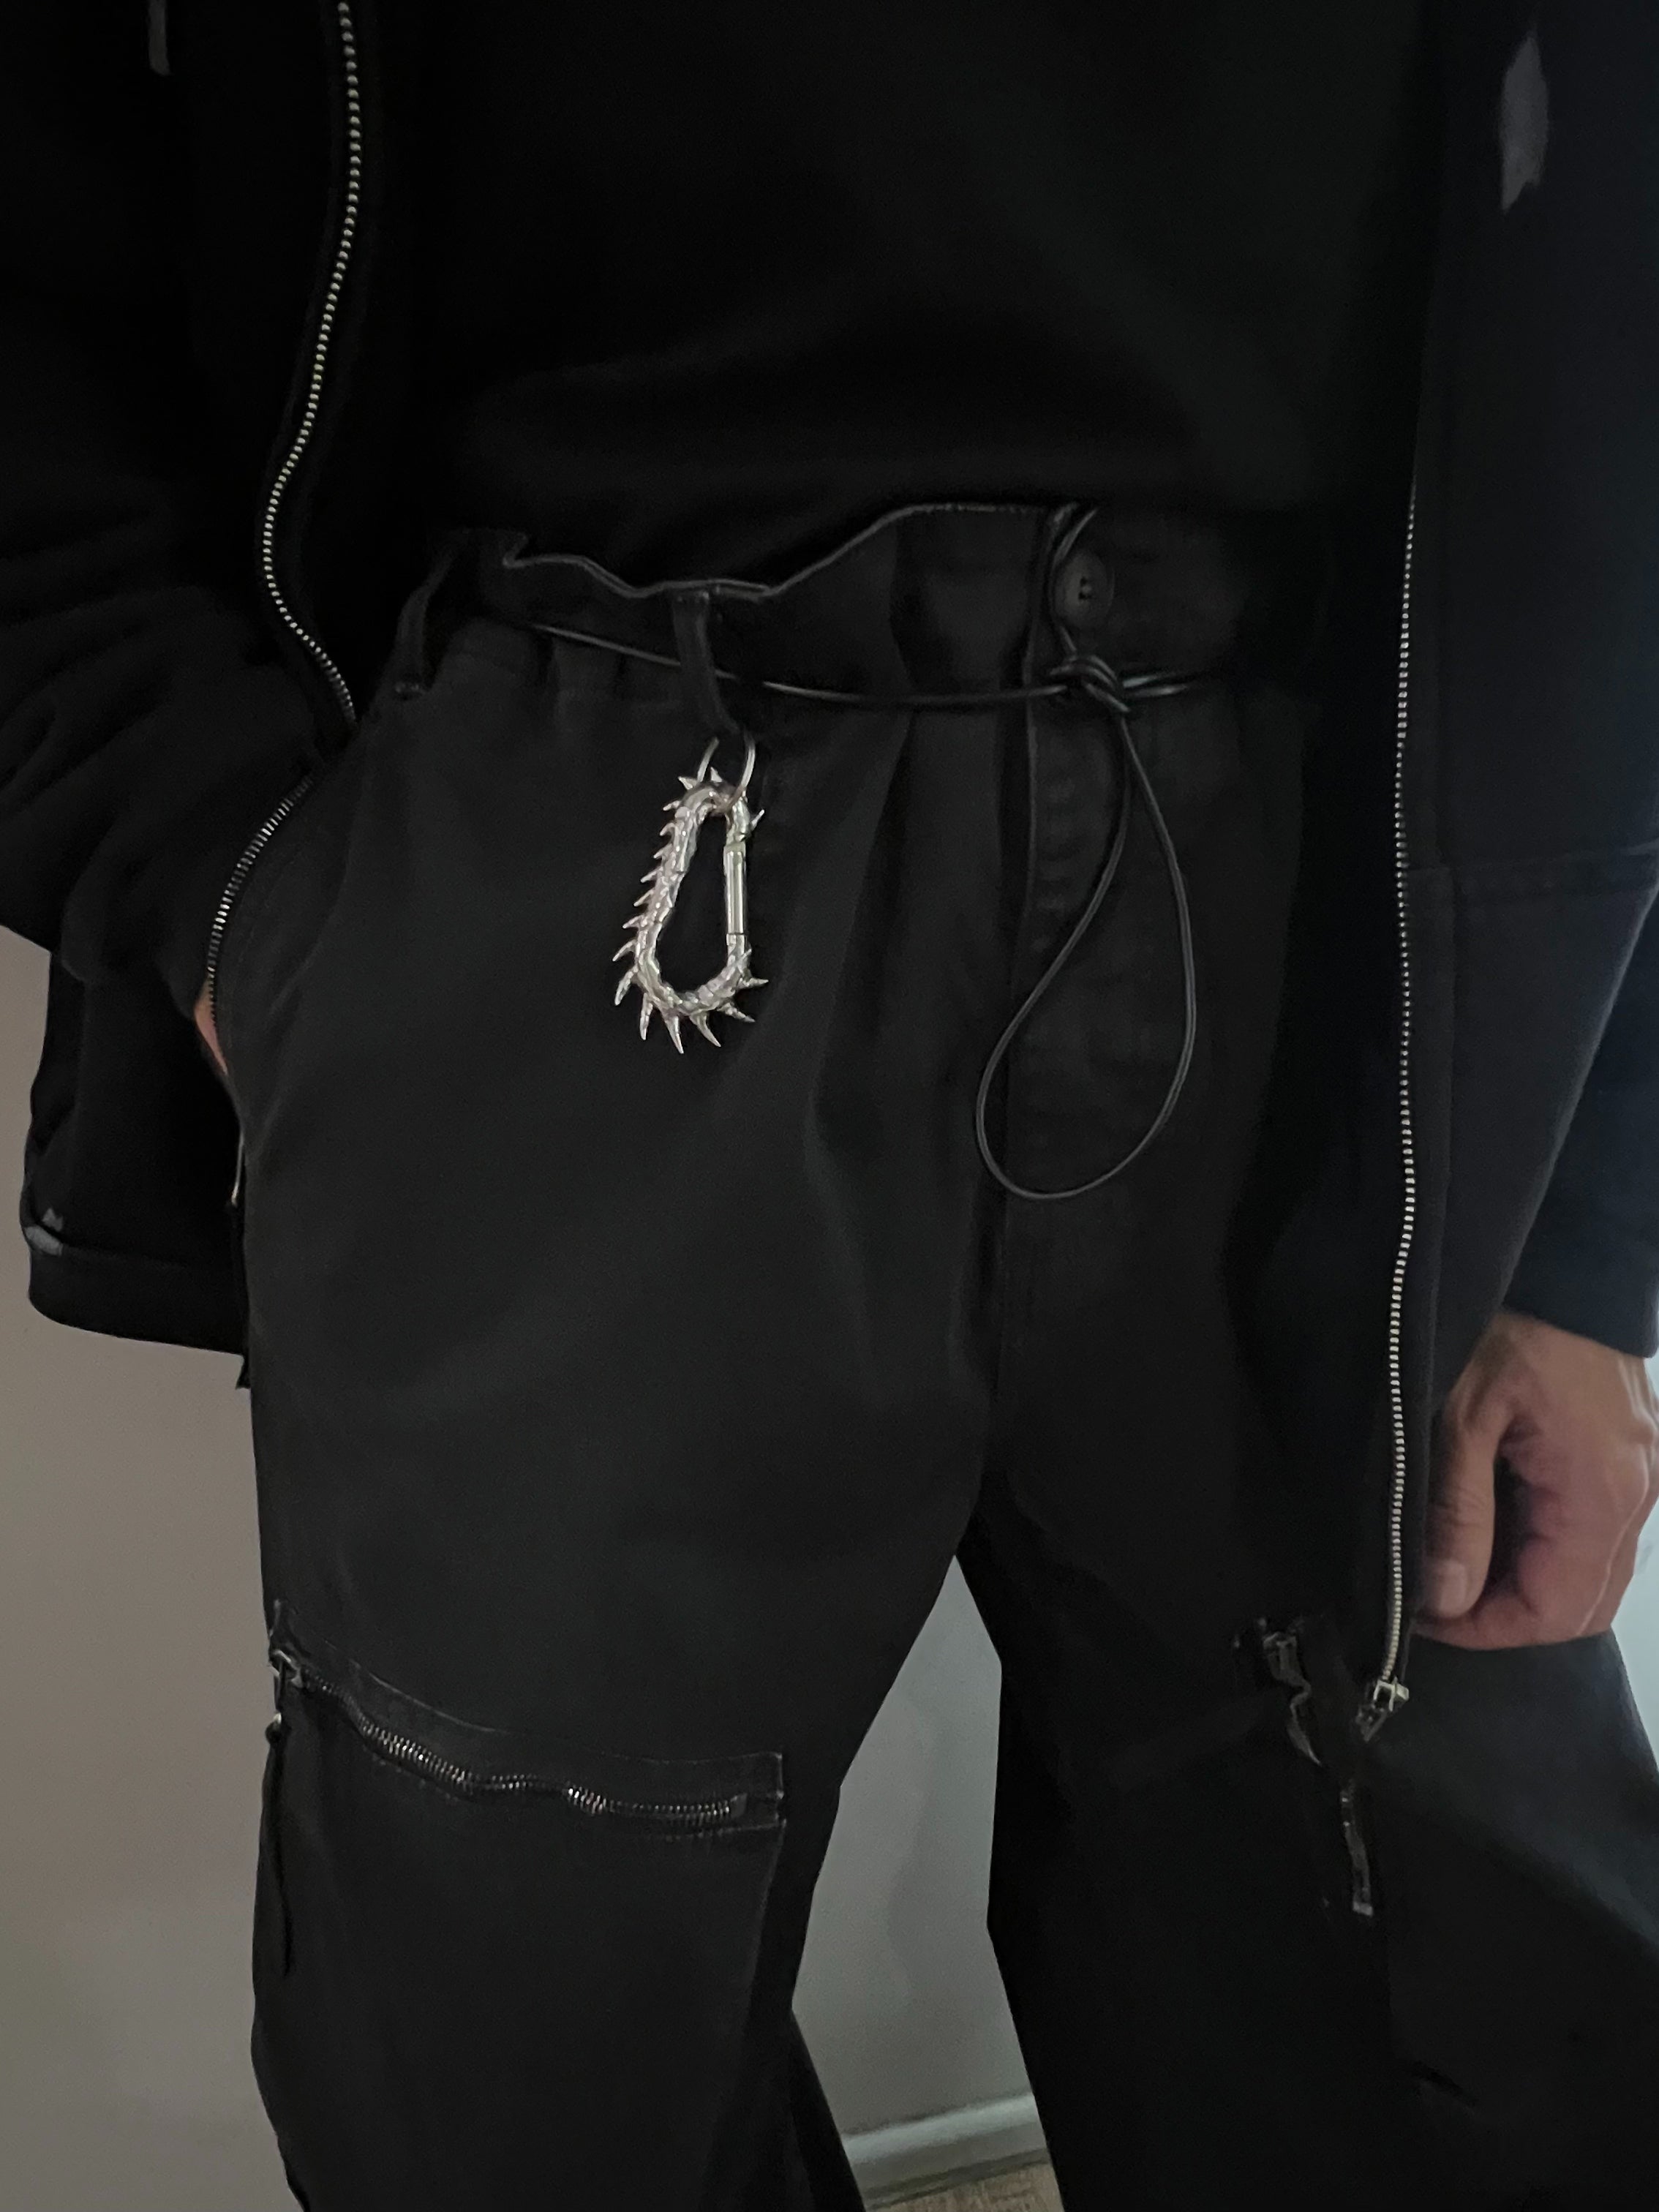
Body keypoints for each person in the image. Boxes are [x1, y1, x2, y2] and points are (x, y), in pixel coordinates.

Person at [4, 6, 1658, 2208]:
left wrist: (1588, 1214)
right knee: (525, 2083)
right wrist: (209, 859)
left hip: (1351, 876)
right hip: (552, 839)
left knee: (1437, 2016)